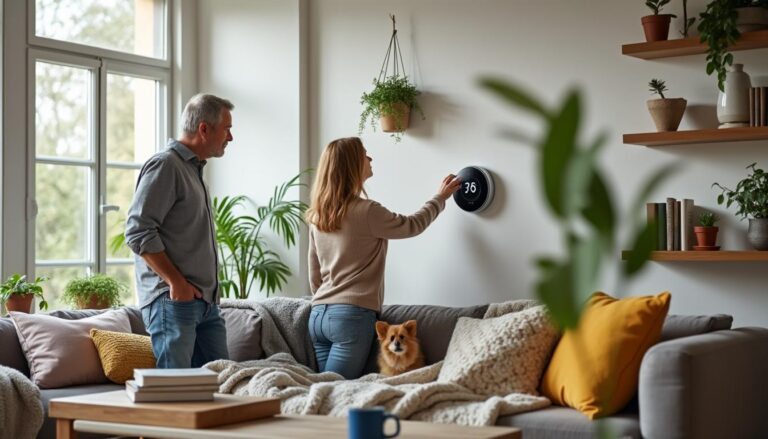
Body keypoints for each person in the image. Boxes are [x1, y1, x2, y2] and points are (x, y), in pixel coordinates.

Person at [305, 136, 461, 379]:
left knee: (323, 390)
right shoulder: (367, 211)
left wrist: (328, 300)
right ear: (352, 165)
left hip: (317, 316)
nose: (370, 158)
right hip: (350, 316)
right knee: (334, 390)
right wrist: (440, 198)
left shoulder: (317, 216)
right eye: (364, 155)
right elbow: (412, 225)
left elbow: (314, 273)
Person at [125, 93, 234, 368]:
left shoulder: (193, 170)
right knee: (175, 395)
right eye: (227, 129)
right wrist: (176, 283)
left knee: (221, 386)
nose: (230, 137)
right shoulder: (166, 165)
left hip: (205, 304)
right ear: (204, 129)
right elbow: (138, 230)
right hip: (173, 302)